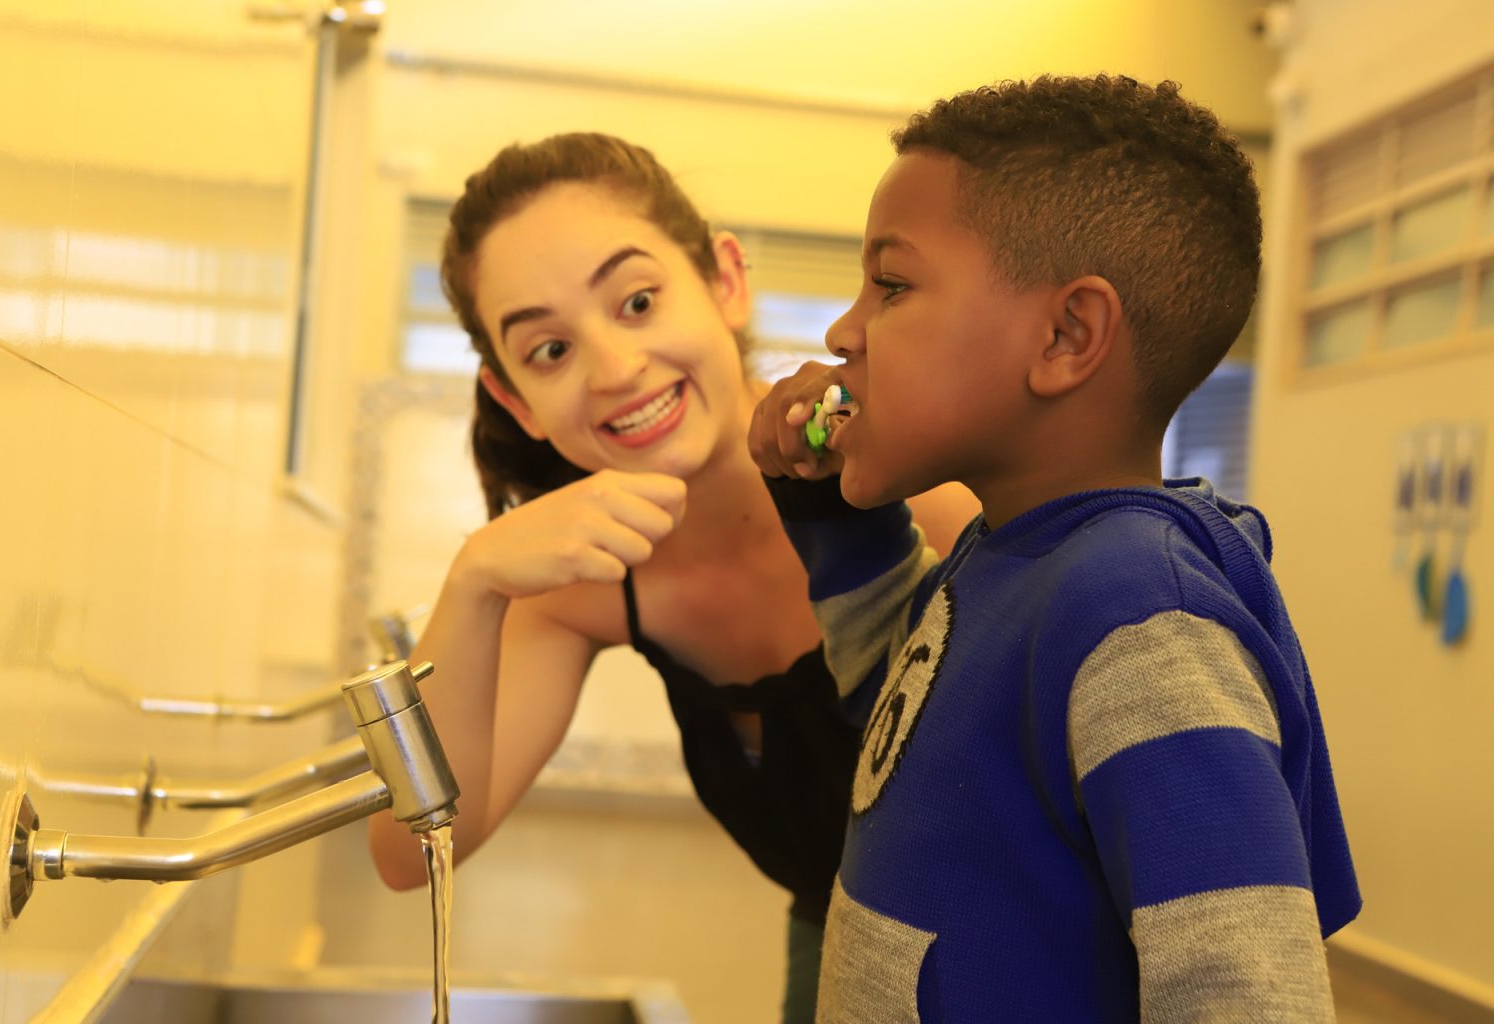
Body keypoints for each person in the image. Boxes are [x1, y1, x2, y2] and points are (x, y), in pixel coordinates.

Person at [748, 75, 1362, 1022]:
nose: (843, 331)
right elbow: (909, 740)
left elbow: (1247, 991)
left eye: (893, 285)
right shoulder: (1013, 559)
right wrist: (835, 513)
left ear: (1068, 335)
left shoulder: (1139, 616)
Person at [365, 132, 978, 1023]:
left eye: (639, 301)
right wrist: (475, 581)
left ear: (726, 281)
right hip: (834, 965)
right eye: (549, 352)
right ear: (513, 401)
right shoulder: (583, 593)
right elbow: (412, 849)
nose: (615, 370)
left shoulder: (924, 503)